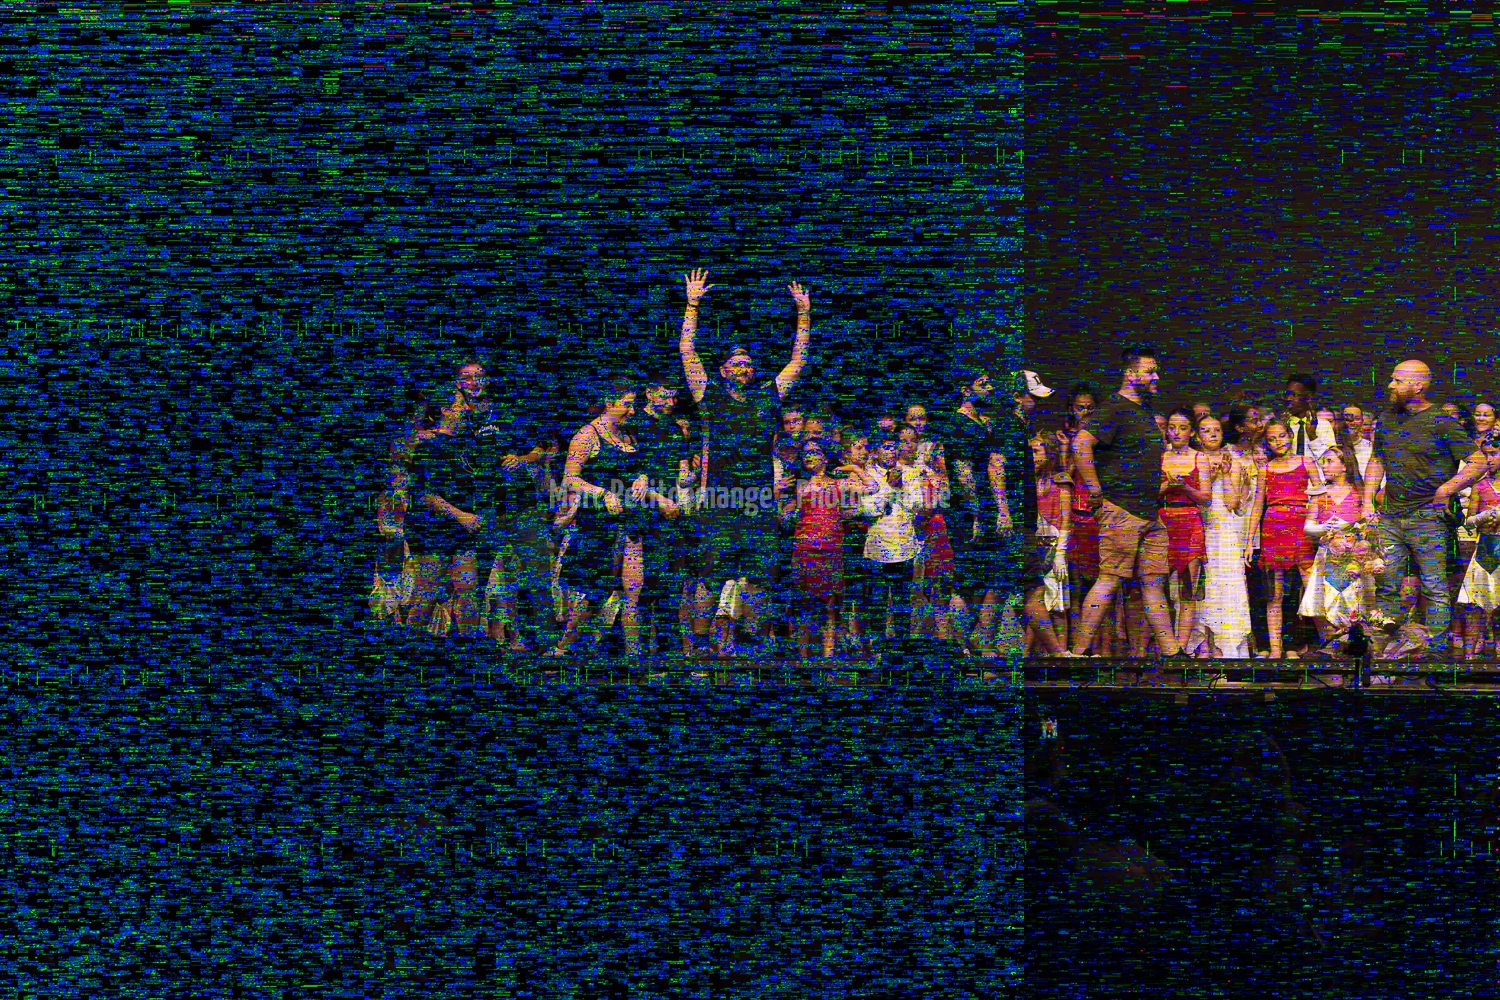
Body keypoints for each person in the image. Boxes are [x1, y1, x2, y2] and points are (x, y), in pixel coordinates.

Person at [678, 268, 811, 658]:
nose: (742, 368)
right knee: (710, 577)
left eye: (747, 364)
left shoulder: (768, 396)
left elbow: (798, 360)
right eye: (735, 364)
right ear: (723, 371)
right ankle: (701, 648)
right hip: (720, 502)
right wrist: (692, 304)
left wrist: (803, 314)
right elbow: (687, 351)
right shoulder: (710, 395)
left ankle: (752, 647)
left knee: (760, 578)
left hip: (759, 503)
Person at [1067, 345, 1191, 667]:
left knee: (1153, 582)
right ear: (1130, 373)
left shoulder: (1143, 411)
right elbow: (1080, 444)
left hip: (1149, 512)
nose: (1156, 376)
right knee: (1110, 577)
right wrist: (1095, 488)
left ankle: (1171, 653)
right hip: (1122, 510)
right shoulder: (1115, 408)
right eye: (1150, 371)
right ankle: (1077, 655)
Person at [1361, 360, 1489, 661]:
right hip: (1391, 515)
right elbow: (1377, 459)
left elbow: (1478, 461)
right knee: (1386, 584)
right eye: (1392, 379)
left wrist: (1446, 489)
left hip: (1428, 517)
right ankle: (1384, 651)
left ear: (1417, 386)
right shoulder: (1387, 419)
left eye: (1397, 380)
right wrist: (1367, 501)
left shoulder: (1441, 421)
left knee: (1434, 586)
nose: (1391, 385)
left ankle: (1435, 653)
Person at [547, 379, 640, 657]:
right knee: (594, 592)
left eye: (633, 404)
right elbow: (569, 478)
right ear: (609, 403)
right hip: (598, 523)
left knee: (631, 590)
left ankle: (632, 656)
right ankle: (563, 648)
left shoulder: (628, 434)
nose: (632, 410)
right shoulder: (587, 434)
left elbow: (636, 468)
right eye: (627, 404)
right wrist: (602, 493)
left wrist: (643, 478)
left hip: (630, 521)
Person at [621, 372, 691, 657]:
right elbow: (626, 474)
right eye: (665, 396)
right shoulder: (634, 423)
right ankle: (632, 653)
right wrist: (659, 499)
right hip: (641, 513)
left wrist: (689, 476)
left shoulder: (674, 427)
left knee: (670, 585)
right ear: (649, 393)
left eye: (675, 397)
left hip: (671, 512)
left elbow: (681, 468)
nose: (671, 402)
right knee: (641, 588)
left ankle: (667, 653)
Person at [781, 437, 855, 659]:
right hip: (805, 549)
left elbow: (866, 493)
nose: (810, 456)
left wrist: (854, 470)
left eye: (815, 452)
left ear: (825, 457)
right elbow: (783, 516)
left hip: (831, 548)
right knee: (804, 604)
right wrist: (783, 504)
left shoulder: (839, 483)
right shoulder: (798, 485)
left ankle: (828, 655)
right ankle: (803, 656)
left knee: (830, 604)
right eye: (806, 453)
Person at [1191, 414, 1256, 657]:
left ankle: (1224, 646)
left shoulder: (1233, 461)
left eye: (1217, 430)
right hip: (1197, 526)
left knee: (1224, 584)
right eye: (1206, 430)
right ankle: (1201, 644)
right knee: (1199, 586)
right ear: (1198, 436)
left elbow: (1231, 503)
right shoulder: (1193, 459)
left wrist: (1226, 474)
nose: (1212, 434)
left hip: (1223, 531)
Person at [1257, 420, 1321, 659]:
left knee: (1309, 585)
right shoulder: (1265, 469)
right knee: (1274, 592)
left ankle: (1326, 642)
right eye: (1272, 439)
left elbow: (1320, 493)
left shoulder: (1306, 462)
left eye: (1282, 436)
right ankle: (1275, 649)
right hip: (1273, 528)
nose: (1278, 442)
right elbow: (1257, 505)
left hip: (1300, 526)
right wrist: (1250, 540)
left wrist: (1313, 520)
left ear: (1291, 435)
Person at [1298, 445, 1367, 648]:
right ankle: (1331, 646)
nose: (1324, 466)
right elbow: (1308, 527)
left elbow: (1368, 523)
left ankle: (1355, 647)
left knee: (1354, 601)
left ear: (1344, 466)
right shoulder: (1319, 493)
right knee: (1327, 600)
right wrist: (1324, 527)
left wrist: (1351, 527)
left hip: (1353, 556)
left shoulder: (1359, 493)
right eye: (1323, 462)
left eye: (1330, 461)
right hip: (1327, 556)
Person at [1158, 408, 1211, 656]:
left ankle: (1181, 648)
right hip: (1163, 522)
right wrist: (1168, 485)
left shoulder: (1200, 458)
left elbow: (1206, 498)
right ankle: (1166, 647)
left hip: (1190, 522)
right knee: (1159, 588)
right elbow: (1148, 494)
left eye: (1182, 428)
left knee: (1187, 588)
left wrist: (1185, 487)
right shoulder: (1160, 457)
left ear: (1191, 431)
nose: (1176, 432)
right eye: (1172, 427)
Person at [1458, 431, 1500, 659]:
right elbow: (1469, 521)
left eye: (1493, 454)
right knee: (1475, 602)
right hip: (1485, 549)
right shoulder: (1480, 485)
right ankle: (1468, 656)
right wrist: (1484, 517)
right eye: (1485, 455)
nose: (1489, 459)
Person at [1031, 432, 1073, 654]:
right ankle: (1030, 655)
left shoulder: (1061, 482)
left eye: (1036, 451)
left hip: (1053, 546)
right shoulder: (1026, 481)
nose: (1031, 456)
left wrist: (1060, 554)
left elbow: (1066, 520)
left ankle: (1061, 653)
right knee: (1033, 601)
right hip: (1032, 546)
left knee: (1057, 604)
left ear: (1049, 453)